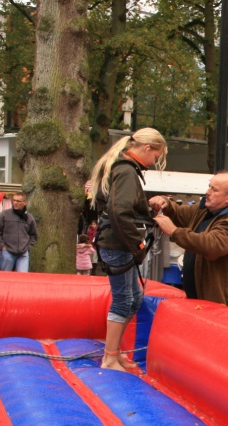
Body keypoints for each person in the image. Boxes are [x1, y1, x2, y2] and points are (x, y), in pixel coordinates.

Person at [89, 128, 167, 371]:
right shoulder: (126, 171)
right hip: (118, 244)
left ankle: (114, 352)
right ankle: (110, 357)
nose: (153, 162)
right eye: (155, 157)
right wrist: (137, 245)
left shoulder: (121, 167)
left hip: (118, 242)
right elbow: (119, 211)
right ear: (147, 148)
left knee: (134, 299)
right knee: (124, 300)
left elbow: (118, 208)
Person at [149, 172, 228, 310]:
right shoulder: (203, 211)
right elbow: (178, 212)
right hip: (198, 300)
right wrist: (164, 203)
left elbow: (210, 245)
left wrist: (174, 231)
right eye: (209, 186)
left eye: (214, 190)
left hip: (220, 305)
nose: (208, 192)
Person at [0, 193, 38, 272]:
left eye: (18, 201)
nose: (15, 203)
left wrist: (28, 248)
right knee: (5, 277)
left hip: (23, 254)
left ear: (25, 202)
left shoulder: (29, 218)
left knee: (22, 277)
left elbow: (34, 235)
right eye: (14, 200)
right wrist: (2, 247)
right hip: (7, 252)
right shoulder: (4, 215)